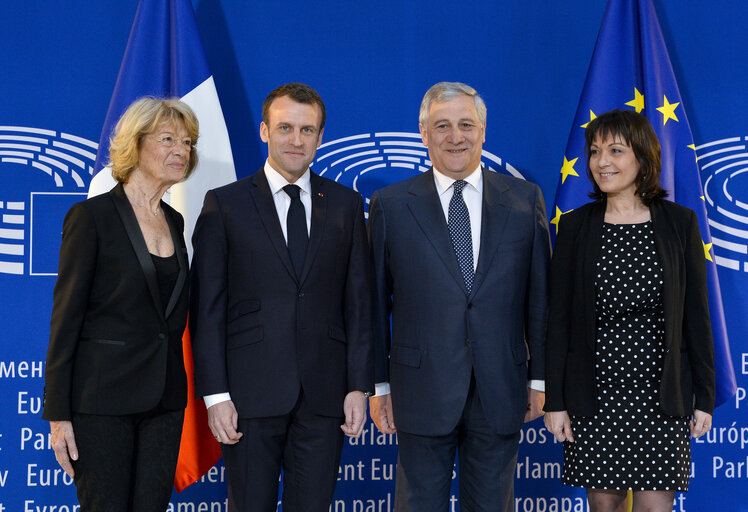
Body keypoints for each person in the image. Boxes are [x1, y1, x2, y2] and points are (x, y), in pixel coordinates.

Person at [190, 82, 374, 512]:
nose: (296, 139)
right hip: (248, 397)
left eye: (307, 130)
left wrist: (358, 386)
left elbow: (360, 305)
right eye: (286, 127)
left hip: (325, 396)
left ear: (320, 137)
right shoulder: (225, 204)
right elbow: (207, 309)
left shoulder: (346, 205)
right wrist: (216, 396)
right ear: (264, 131)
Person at [367, 81, 550, 511]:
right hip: (418, 389)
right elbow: (373, 306)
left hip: (500, 388)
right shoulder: (391, 204)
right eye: (442, 126)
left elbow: (539, 298)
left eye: (466, 124)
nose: (455, 136)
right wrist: (378, 384)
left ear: (483, 130)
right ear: (423, 133)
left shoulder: (524, 200)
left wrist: (539, 378)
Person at [544, 109, 715, 512]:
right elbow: (559, 324)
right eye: (595, 151)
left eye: (615, 151)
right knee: (605, 507)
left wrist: (704, 396)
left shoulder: (679, 224)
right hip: (595, 395)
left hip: (661, 395)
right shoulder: (574, 228)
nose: (601, 162)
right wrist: (555, 401)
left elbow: (697, 317)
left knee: (655, 508)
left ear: (643, 157)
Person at [42, 97, 198, 510]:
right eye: (168, 139)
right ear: (135, 142)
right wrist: (58, 416)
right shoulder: (90, 218)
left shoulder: (175, 221)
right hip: (101, 401)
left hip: (164, 399)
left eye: (187, 142)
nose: (181, 150)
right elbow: (65, 318)